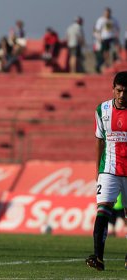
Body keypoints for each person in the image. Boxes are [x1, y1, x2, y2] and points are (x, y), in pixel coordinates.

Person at [86, 71, 127, 271]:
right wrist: (97, 169)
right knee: (102, 211)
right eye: (119, 91)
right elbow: (99, 140)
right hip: (109, 169)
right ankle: (98, 257)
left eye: (126, 92)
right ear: (113, 89)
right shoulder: (102, 110)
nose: (122, 95)